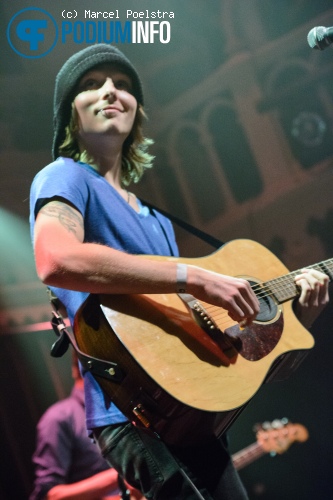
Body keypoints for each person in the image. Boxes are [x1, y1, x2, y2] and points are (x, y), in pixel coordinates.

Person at [29, 43, 329, 500]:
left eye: (123, 85)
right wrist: (194, 275)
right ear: (70, 113)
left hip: (197, 414)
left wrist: (301, 320)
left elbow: (238, 360)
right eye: (91, 85)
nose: (110, 91)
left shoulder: (158, 220)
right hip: (131, 415)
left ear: (137, 111)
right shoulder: (65, 176)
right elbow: (56, 260)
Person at [30, 350, 144, 500]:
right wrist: (121, 475)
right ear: (80, 368)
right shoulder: (58, 417)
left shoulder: (121, 410)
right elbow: (50, 495)